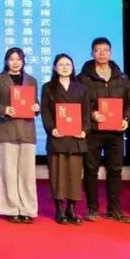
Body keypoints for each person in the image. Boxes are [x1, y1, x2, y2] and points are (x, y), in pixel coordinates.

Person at [77, 37, 130, 223]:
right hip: (93, 131)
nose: (102, 53)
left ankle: (114, 209)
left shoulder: (122, 77)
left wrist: (126, 119)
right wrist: (92, 113)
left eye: (105, 50)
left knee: (115, 170)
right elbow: (77, 103)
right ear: (92, 53)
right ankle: (92, 208)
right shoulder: (83, 78)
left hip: (115, 132)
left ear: (111, 53)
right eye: (98, 50)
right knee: (91, 170)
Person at [0, 47, 41, 223]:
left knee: (28, 173)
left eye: (18, 59)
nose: (15, 62)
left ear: (23, 61)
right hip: (7, 129)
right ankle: (11, 208)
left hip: (27, 130)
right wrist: (4, 109)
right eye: (11, 59)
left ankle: (28, 209)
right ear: (6, 61)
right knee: (8, 172)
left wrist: (36, 107)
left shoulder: (31, 80)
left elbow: (35, 103)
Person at [40, 54, 91, 225]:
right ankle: (59, 209)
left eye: (68, 64)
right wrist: (52, 128)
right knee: (58, 174)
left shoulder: (81, 88)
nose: (64, 67)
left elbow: (86, 112)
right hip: (58, 137)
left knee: (74, 175)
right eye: (61, 64)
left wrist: (84, 130)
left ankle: (72, 208)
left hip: (76, 137)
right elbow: (45, 112)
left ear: (73, 67)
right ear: (55, 68)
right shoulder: (48, 88)